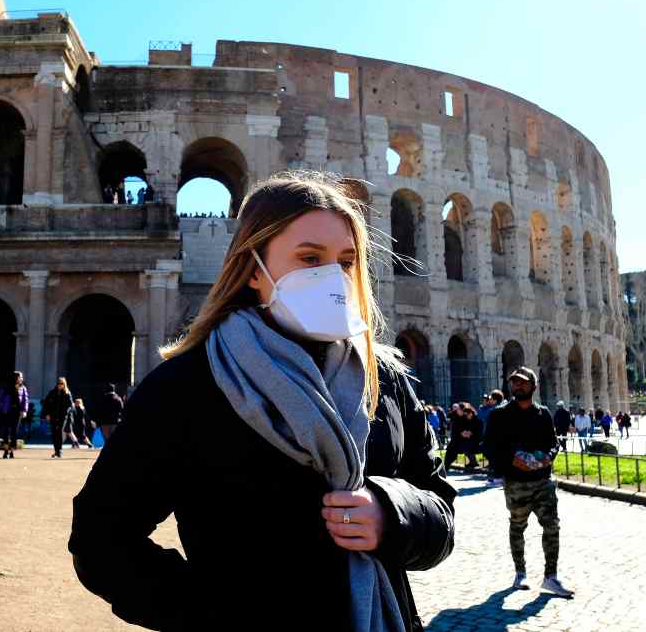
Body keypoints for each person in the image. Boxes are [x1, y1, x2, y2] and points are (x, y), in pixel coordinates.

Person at [69, 172, 455, 630]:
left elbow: (440, 508)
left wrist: (391, 512)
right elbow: (101, 538)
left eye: (346, 262)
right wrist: (213, 613)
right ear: (254, 269)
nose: (332, 277)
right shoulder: (187, 387)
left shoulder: (384, 378)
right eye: (310, 258)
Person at [483, 367, 573, 597]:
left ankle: (551, 577)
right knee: (517, 526)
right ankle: (520, 573)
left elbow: (554, 443)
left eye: (523, 382)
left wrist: (547, 458)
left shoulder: (543, 413)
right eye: (514, 382)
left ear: (533, 386)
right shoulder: (499, 415)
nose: (518, 385)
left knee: (552, 526)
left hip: (543, 481)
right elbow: (490, 447)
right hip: (516, 482)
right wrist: (512, 460)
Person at [0, 372, 29, 459]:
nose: (21, 379)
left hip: (17, 412)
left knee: (14, 432)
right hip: (6, 412)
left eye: (21, 377)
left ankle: (11, 450)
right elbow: (0, 399)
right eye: (20, 377)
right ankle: (6, 450)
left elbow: (25, 400)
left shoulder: (23, 388)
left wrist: (24, 410)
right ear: (15, 378)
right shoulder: (5, 387)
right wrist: (2, 408)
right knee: (6, 431)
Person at [444, 403, 483, 472]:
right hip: (460, 439)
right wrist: (462, 433)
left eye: (459, 409)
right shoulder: (457, 417)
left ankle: (473, 462)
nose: (457, 410)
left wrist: (469, 433)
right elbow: (457, 429)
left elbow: (476, 431)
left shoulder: (473, 419)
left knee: (465, 446)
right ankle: (446, 465)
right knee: (451, 447)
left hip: (471, 440)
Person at [42, 377, 74, 458]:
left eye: (61, 384)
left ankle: (59, 450)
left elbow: (70, 405)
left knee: (59, 432)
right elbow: (46, 403)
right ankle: (56, 450)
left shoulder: (67, 393)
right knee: (54, 433)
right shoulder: (52, 392)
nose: (60, 385)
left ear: (64, 384)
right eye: (58, 383)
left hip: (62, 416)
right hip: (53, 416)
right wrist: (46, 414)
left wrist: (66, 412)